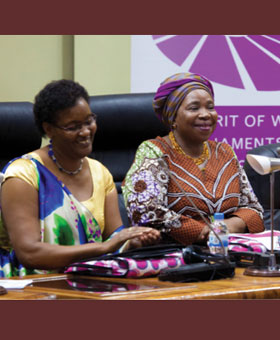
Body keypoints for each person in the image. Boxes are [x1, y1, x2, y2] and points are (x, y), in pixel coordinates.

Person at [0, 79, 160, 277]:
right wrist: (103, 248)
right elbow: (29, 253)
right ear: (49, 129)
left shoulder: (100, 173)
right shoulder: (22, 175)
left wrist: (133, 240)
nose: (85, 131)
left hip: (91, 278)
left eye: (89, 121)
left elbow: (115, 238)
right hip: (31, 285)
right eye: (73, 126)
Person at [122, 72, 264, 245]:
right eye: (194, 108)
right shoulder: (154, 152)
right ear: (173, 117)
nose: (205, 114)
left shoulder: (225, 152)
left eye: (210, 107)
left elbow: (254, 210)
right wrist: (203, 232)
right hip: (177, 257)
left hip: (230, 251)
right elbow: (145, 211)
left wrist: (224, 228)